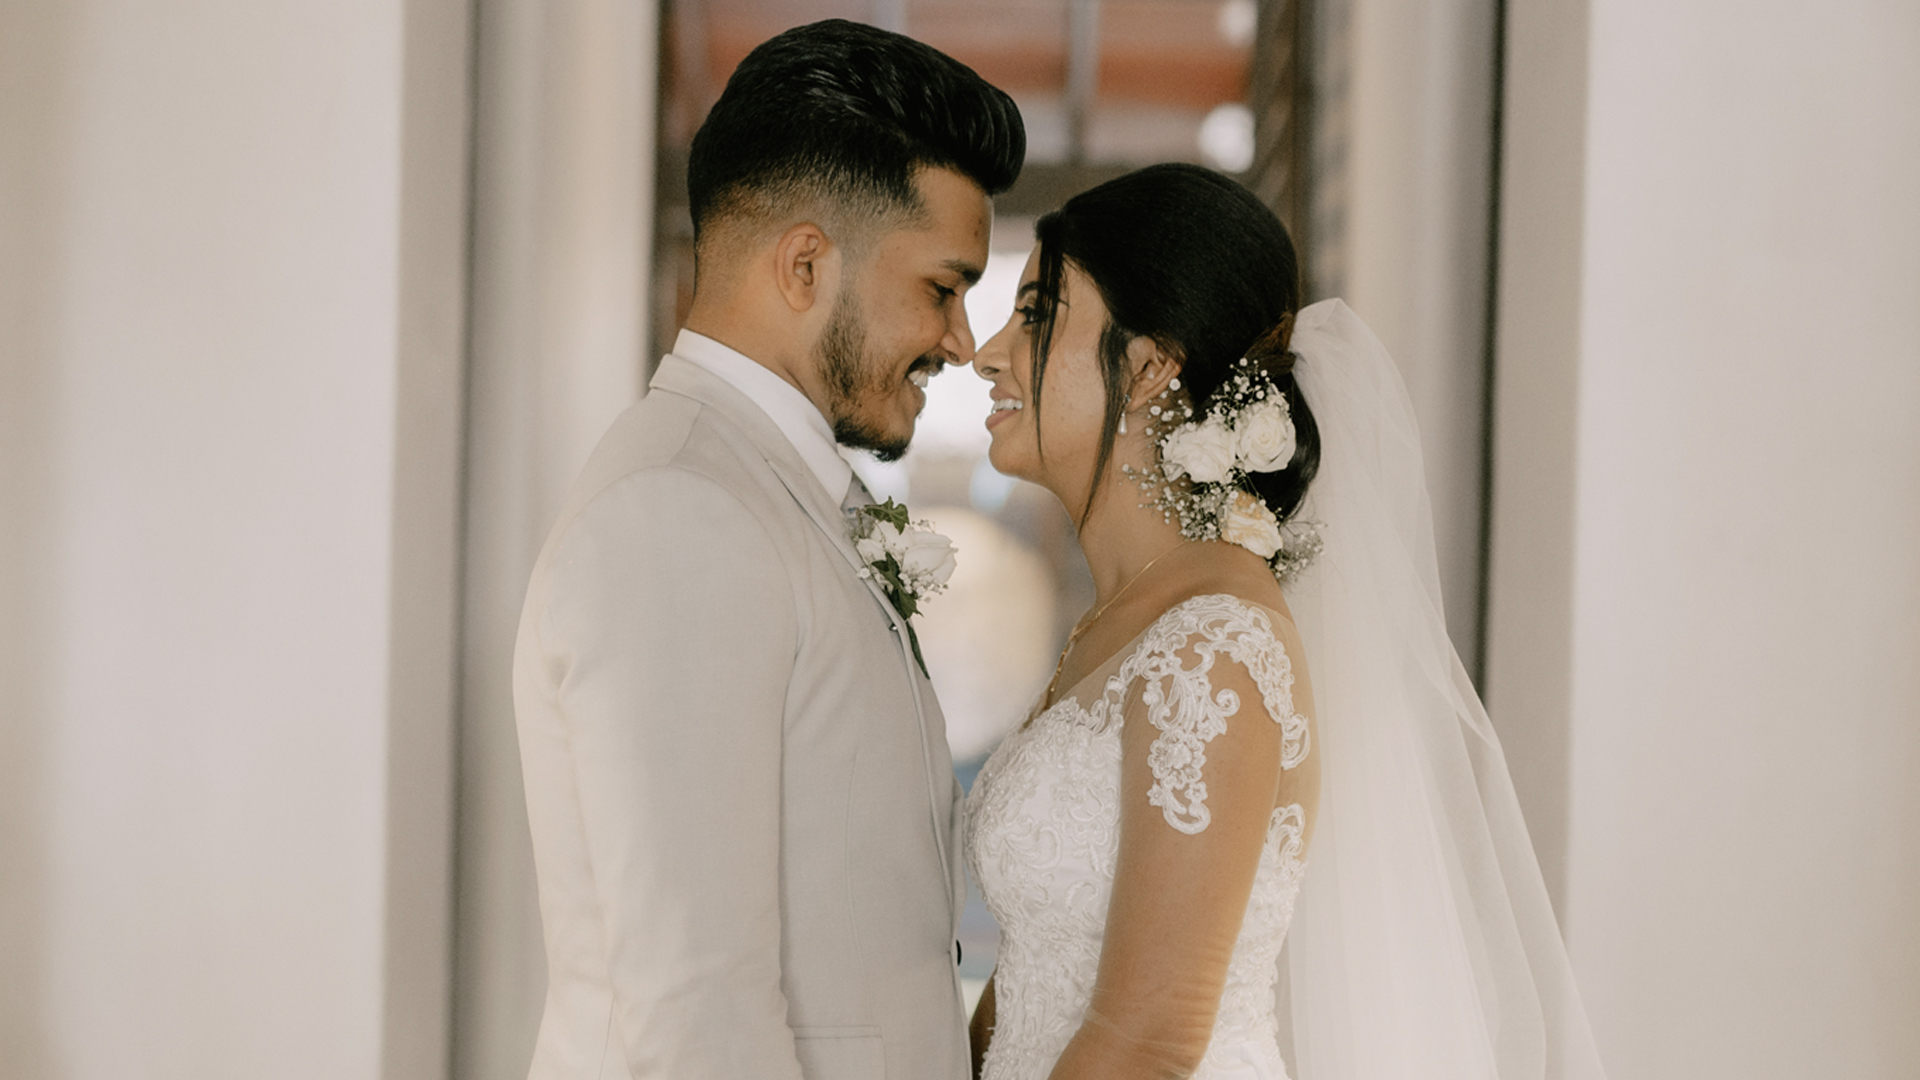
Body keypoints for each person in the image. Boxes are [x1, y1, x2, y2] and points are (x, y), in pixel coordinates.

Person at [963, 163, 1607, 1080]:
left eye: (1036, 315)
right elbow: (1037, 970)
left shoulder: (1213, 643)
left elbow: (1152, 1037)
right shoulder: (1119, 620)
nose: (990, 352)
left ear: (1149, 368)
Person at [510, 21, 1022, 1080]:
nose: (964, 341)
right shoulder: (679, 513)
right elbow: (695, 1013)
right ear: (804, 264)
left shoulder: (760, 491)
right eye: (942, 286)